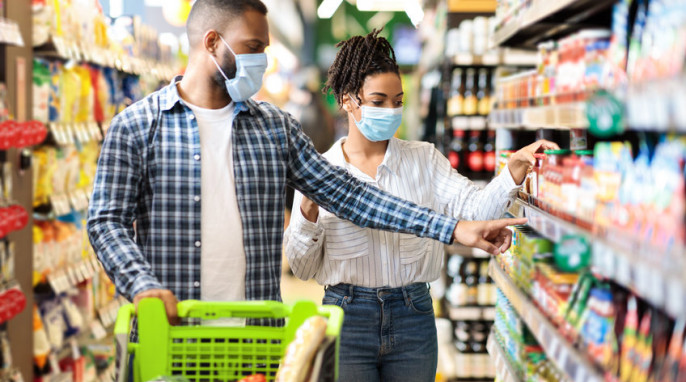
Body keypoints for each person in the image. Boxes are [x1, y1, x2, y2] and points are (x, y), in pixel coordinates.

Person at [87, 0, 524, 337]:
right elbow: (106, 221)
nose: (260, 59)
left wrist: (452, 229)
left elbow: (351, 195)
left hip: (256, 339)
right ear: (212, 43)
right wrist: (141, 284)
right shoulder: (137, 126)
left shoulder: (275, 129)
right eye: (252, 48)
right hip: (173, 333)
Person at [284, 29, 558, 382]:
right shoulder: (322, 172)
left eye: (398, 101)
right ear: (349, 100)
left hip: (413, 316)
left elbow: (475, 212)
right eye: (378, 101)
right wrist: (307, 214)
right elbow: (302, 269)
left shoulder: (423, 160)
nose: (391, 110)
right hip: (346, 317)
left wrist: (514, 171)